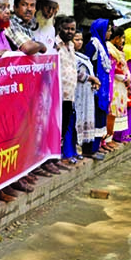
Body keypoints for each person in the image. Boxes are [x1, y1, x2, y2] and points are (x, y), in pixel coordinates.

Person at [84, 19, 114, 153]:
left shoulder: (103, 45)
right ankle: (90, 149)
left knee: (100, 116)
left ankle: (97, 147)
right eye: (108, 30)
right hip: (94, 88)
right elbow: (87, 63)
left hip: (102, 88)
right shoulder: (93, 45)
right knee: (94, 117)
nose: (110, 33)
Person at [73, 29, 103, 160]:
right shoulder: (68, 55)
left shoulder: (82, 55)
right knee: (78, 118)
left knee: (88, 117)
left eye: (80, 40)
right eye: (76, 40)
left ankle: (88, 149)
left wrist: (95, 82)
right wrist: (92, 79)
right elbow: (75, 72)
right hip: (78, 92)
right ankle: (78, 149)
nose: (79, 42)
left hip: (88, 92)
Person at [55, 16, 80, 165]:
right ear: (60, 29)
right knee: (55, 127)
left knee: (64, 127)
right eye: (67, 28)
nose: (70, 32)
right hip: (57, 95)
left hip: (69, 95)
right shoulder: (54, 45)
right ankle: (52, 158)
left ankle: (60, 155)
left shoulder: (71, 45)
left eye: (72, 29)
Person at [105, 27, 129, 146]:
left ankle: (111, 137)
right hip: (114, 84)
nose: (123, 40)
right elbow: (114, 69)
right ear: (117, 38)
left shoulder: (116, 49)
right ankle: (107, 139)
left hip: (120, 85)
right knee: (111, 111)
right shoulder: (110, 49)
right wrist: (125, 78)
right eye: (122, 38)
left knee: (115, 111)